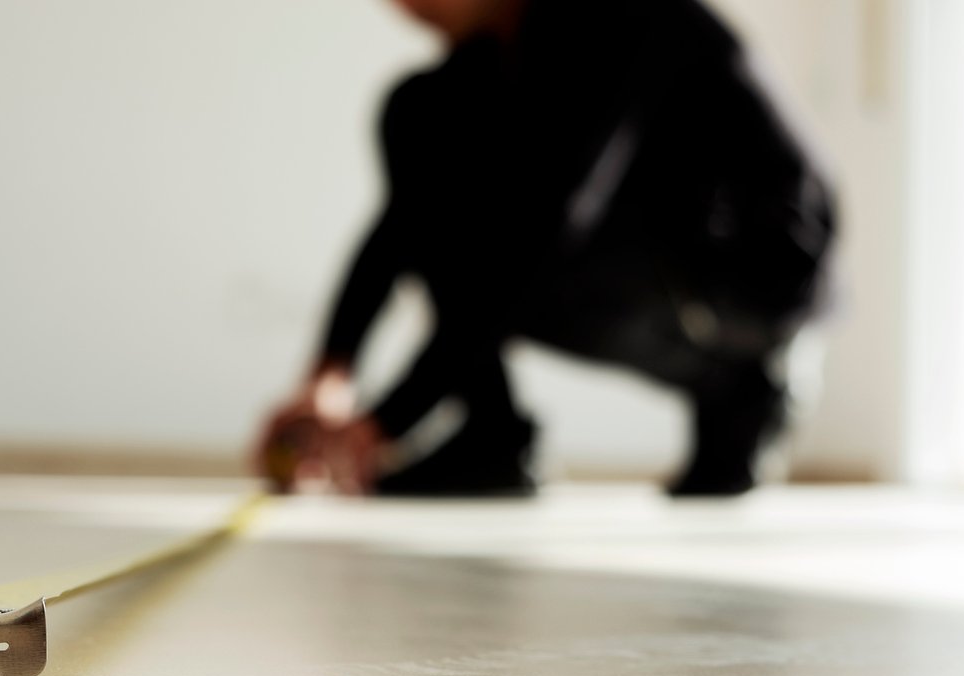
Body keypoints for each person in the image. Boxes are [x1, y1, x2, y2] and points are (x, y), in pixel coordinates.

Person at [256, 0, 836, 497]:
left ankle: (745, 387)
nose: (404, 8)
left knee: (486, 205)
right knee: (421, 113)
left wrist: (383, 423)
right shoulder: (490, 62)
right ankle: (491, 435)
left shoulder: (609, 16)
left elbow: (543, 235)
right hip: (651, 274)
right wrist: (329, 378)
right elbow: (404, 225)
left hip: (758, 279)